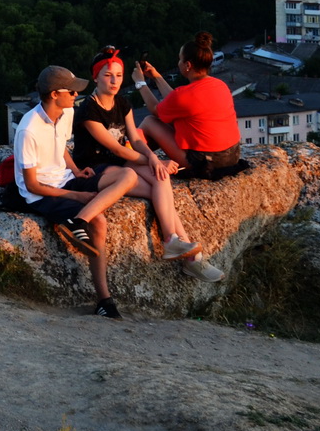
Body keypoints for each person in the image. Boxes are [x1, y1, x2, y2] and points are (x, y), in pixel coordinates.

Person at [74, 46, 224, 282]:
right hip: (99, 169)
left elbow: (134, 139)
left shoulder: (122, 103)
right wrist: (156, 161)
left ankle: (179, 247)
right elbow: (115, 148)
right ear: (95, 77)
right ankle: (186, 254)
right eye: (107, 75)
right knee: (159, 188)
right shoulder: (87, 110)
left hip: (123, 162)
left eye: (119, 75)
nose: (114, 81)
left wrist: (154, 159)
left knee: (160, 180)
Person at [14, 65, 137, 319]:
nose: (75, 96)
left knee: (129, 175)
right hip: (44, 193)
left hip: (67, 178)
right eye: (71, 92)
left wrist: (76, 170)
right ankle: (105, 300)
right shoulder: (29, 129)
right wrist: (77, 196)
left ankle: (78, 220)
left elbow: (61, 147)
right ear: (54, 94)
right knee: (100, 223)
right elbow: (32, 186)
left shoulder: (66, 112)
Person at [133, 31, 242, 180]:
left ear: (188, 65)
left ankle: (135, 160)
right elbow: (177, 102)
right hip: (232, 157)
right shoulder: (220, 85)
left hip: (207, 163)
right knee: (173, 122)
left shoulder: (184, 95)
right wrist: (157, 77)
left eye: (180, 59)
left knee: (149, 121)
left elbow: (156, 110)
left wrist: (140, 83)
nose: (178, 63)